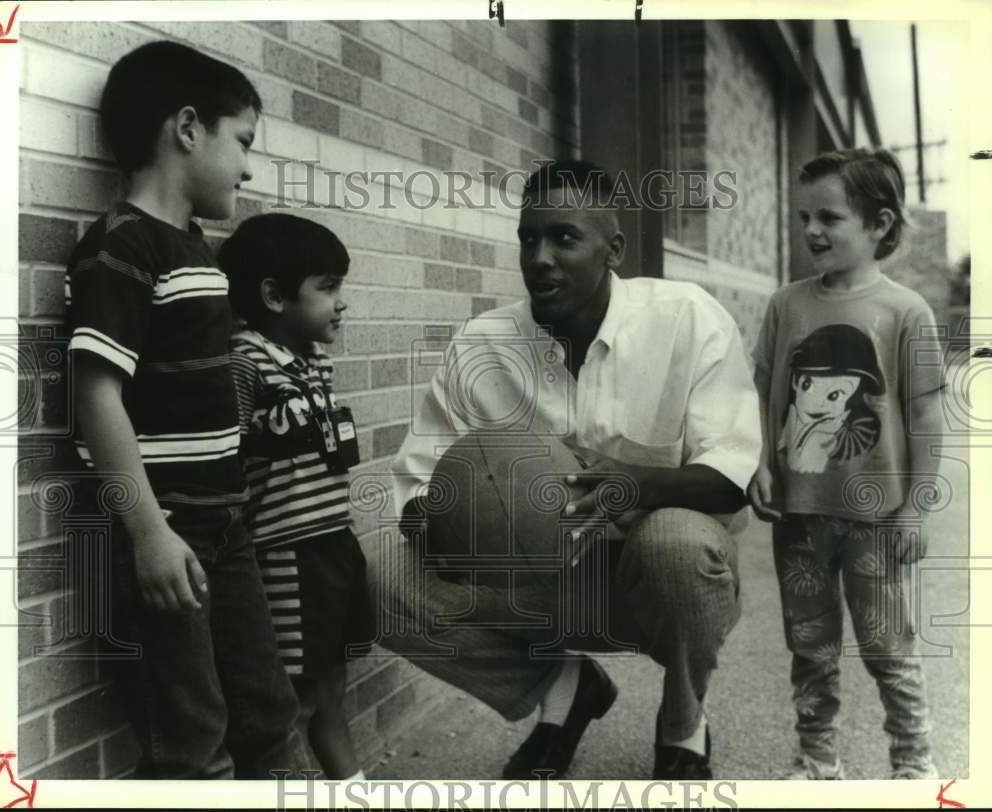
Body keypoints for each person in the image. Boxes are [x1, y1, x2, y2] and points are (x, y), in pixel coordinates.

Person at [379, 160, 762, 779]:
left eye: (563, 237)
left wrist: (622, 483)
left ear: (613, 249)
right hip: (534, 581)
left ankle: (683, 717)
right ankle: (564, 685)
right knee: (378, 578)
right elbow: (413, 491)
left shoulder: (687, 317)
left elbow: (731, 473)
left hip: (650, 575)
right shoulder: (484, 344)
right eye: (529, 238)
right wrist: (470, 512)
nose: (540, 257)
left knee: (679, 543)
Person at [65, 41, 309, 778]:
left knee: (269, 715)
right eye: (243, 143)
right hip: (164, 533)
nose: (248, 167)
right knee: (191, 743)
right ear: (188, 128)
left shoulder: (196, 248)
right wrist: (147, 534)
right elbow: (94, 393)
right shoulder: (121, 248)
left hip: (223, 528)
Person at [747, 148, 944, 780]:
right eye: (804, 216)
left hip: (876, 519)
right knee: (810, 647)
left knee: (889, 648)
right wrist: (762, 463)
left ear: (879, 224)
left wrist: (915, 507)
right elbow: (761, 392)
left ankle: (913, 763)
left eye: (828, 217)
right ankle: (817, 760)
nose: (810, 230)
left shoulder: (905, 311)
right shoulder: (786, 305)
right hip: (799, 517)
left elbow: (926, 418)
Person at [220, 213, 373, 780]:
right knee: (297, 697)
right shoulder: (246, 361)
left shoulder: (313, 360)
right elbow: (224, 454)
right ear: (273, 296)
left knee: (333, 686)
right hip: (287, 555)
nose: (341, 303)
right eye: (327, 288)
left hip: (333, 543)